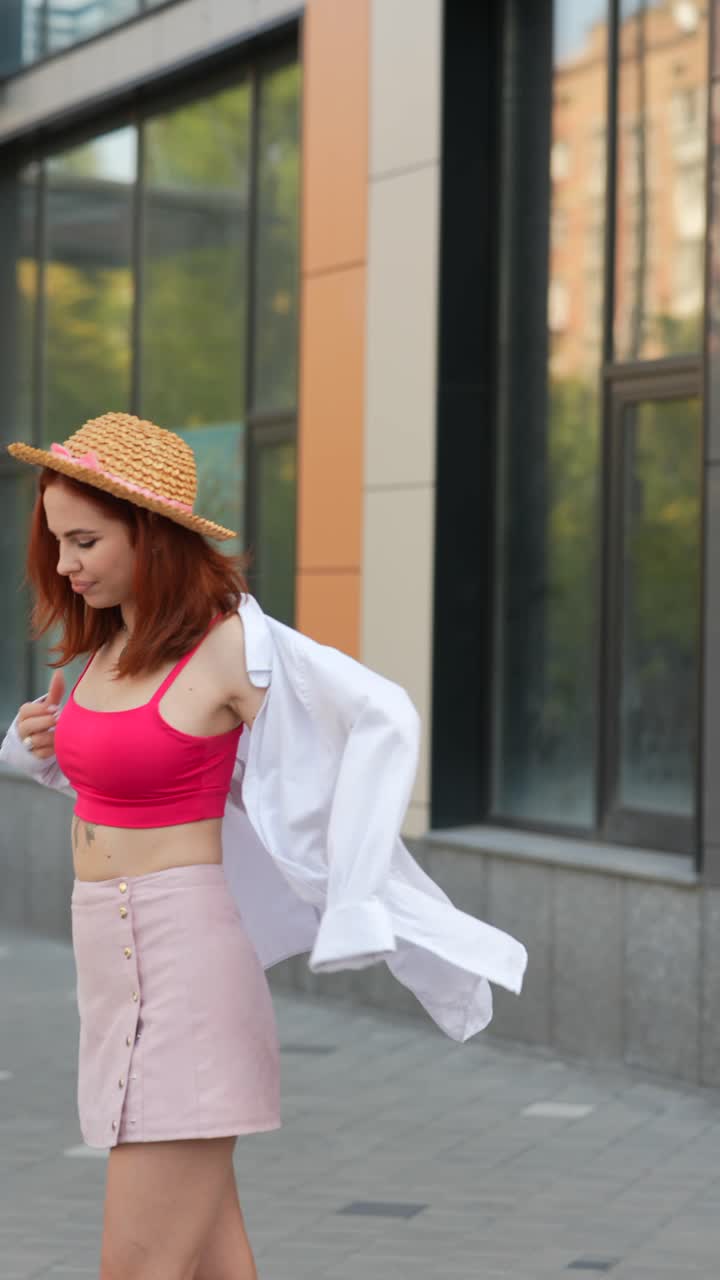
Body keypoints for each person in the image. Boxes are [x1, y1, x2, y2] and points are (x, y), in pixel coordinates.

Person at [0, 411, 528, 1280]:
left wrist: (355, 890)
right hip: (109, 960)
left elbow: (383, 714)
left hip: (183, 965)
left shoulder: (232, 644)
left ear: (151, 535)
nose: (64, 565)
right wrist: (39, 744)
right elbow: (113, 784)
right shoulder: (107, 644)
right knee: (212, 1260)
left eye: (84, 541)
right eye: (56, 542)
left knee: (136, 1265)